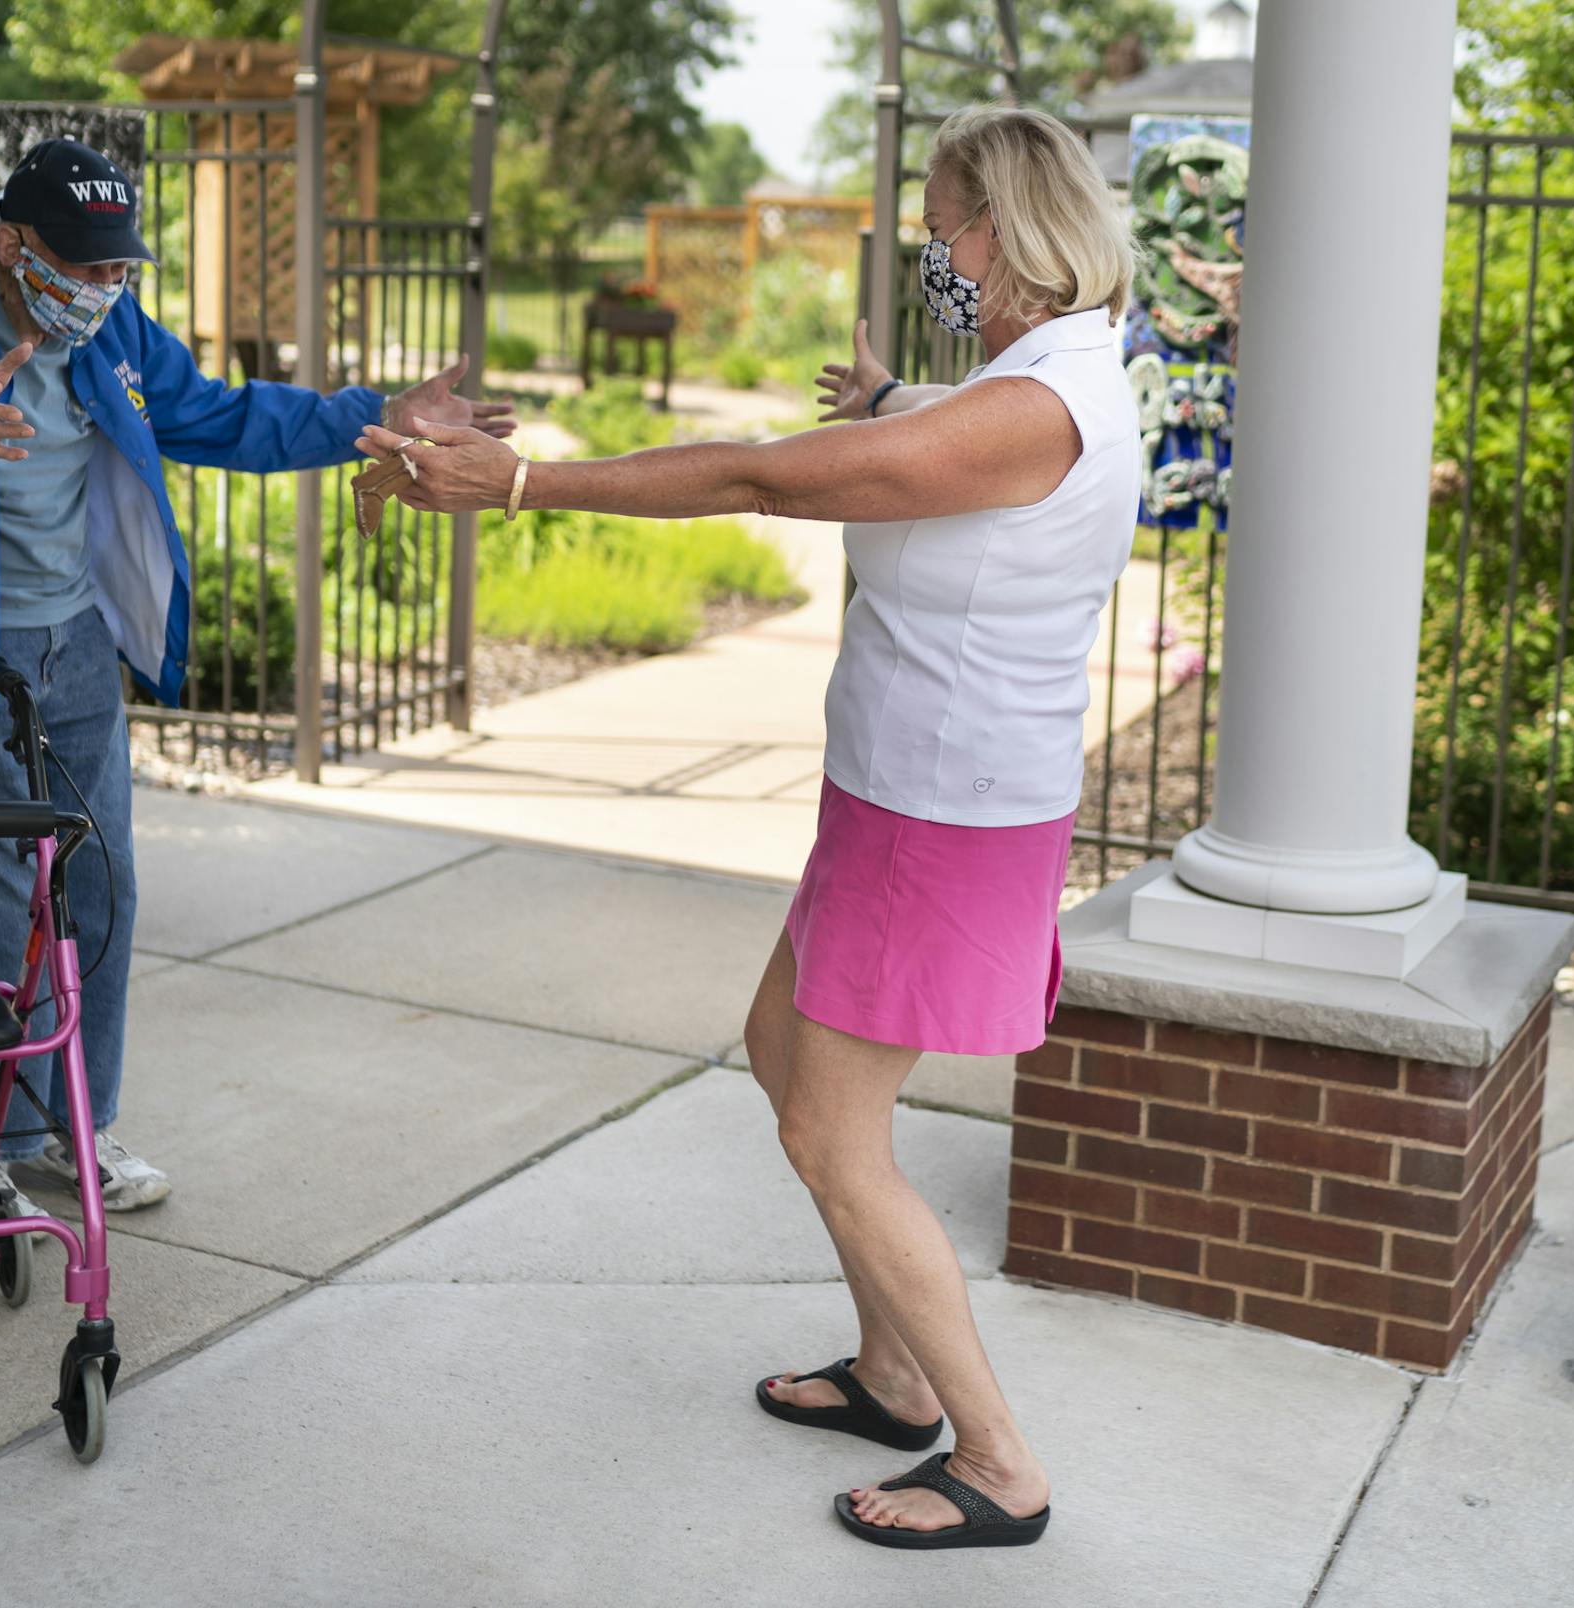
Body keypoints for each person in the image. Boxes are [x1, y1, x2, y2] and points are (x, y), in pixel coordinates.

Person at [353, 105, 1139, 1550]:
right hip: (898, 798)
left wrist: (518, 483)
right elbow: (916, 427)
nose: (930, 245)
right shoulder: (1031, 375)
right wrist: (892, 389)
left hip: (944, 818)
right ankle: (894, 1376)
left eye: (944, 218)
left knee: (837, 1134)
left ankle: (1000, 1461)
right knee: (783, 1057)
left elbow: (761, 474)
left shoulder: (1034, 407)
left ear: (1008, 231)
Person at [0, 138, 514, 1227]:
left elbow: (214, 413)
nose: (97, 289)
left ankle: (61, 1128)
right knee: (1, 923)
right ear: (8, 240)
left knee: (99, 897)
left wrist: (375, 415)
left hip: (73, 652)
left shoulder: (109, 327)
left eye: (114, 269)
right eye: (76, 267)